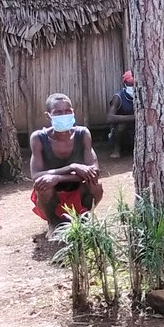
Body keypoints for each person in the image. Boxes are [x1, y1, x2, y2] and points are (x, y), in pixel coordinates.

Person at [29, 93, 104, 237]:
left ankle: (84, 217)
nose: (64, 115)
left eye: (67, 111)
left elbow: (94, 170)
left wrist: (58, 177)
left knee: (96, 185)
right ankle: (53, 222)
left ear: (73, 112)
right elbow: (35, 175)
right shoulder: (38, 138)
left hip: (78, 190)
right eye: (58, 112)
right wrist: (72, 167)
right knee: (42, 185)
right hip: (52, 194)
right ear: (48, 116)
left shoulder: (83, 134)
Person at [104, 70, 136, 159]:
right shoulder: (118, 97)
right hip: (122, 133)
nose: (133, 87)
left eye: (134, 84)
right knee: (121, 125)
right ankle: (116, 150)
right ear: (125, 84)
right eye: (130, 84)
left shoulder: (142, 95)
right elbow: (109, 118)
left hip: (135, 131)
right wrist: (134, 118)